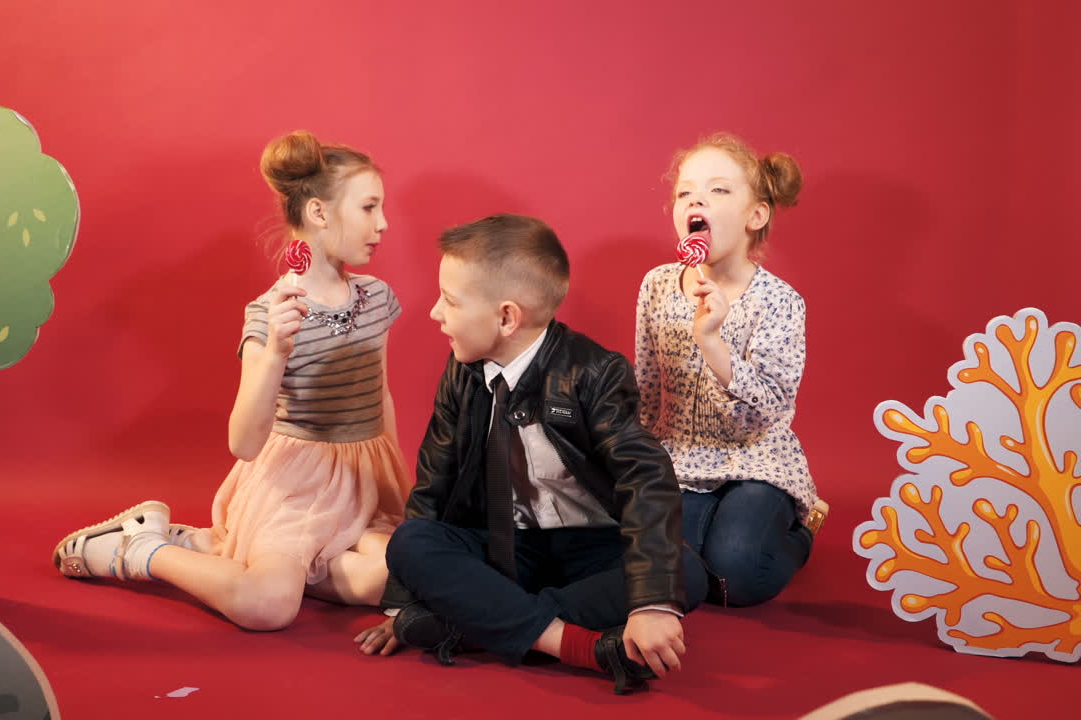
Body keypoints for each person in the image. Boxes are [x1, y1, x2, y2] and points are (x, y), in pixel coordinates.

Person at [52, 130, 409, 631]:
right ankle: (139, 550)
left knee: (407, 575)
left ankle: (213, 544)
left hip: (364, 480)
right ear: (319, 214)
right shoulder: (270, 314)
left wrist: (400, 490)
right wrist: (275, 356)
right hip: (296, 485)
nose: (383, 223)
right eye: (370, 207)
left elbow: (381, 399)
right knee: (268, 606)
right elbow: (243, 442)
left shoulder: (376, 298)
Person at [356, 214, 706, 694]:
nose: (436, 312)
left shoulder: (594, 372)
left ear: (506, 317)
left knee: (685, 573)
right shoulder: (461, 370)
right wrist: (401, 609)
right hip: (505, 545)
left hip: (589, 546)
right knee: (411, 542)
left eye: (451, 301)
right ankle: (576, 645)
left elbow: (645, 477)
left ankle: (480, 622)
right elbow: (434, 479)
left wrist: (649, 606)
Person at [634, 132, 827, 608]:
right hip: (678, 457)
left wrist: (712, 341)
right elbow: (647, 386)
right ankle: (705, 535)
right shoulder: (657, 285)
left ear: (755, 216)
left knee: (739, 572)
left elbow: (764, 415)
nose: (697, 198)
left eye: (719, 190)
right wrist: (631, 464)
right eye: (685, 192)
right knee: (649, 558)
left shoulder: (780, 302)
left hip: (755, 460)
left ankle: (801, 530)